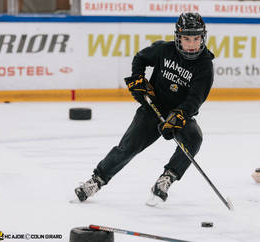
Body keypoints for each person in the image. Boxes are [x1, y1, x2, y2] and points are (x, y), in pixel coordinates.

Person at [74, 12, 214, 205]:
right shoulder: (164, 50)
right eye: (187, 38)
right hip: (152, 109)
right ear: (178, 37)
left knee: (194, 138)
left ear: (203, 37)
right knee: (127, 148)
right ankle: (97, 180)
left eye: (196, 38)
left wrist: (179, 116)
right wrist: (138, 79)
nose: (192, 43)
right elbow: (140, 58)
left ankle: (167, 178)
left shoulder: (205, 65)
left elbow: (195, 99)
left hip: (178, 114)